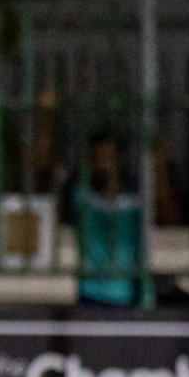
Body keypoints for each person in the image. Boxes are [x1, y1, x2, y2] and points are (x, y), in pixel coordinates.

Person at [64, 132, 149, 308]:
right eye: (96, 158)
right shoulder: (80, 197)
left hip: (125, 296)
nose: (103, 165)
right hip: (89, 294)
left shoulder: (134, 201)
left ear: (120, 161)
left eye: (108, 158)